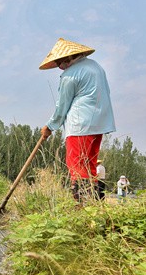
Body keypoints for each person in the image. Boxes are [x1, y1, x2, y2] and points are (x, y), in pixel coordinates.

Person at [39, 38, 115, 203]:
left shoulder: (70, 75)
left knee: (77, 167)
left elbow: (62, 106)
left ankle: (81, 209)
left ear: (68, 58)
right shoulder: (96, 67)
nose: (60, 66)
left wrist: (50, 126)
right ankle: (93, 208)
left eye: (59, 62)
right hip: (99, 123)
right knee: (89, 167)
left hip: (80, 125)